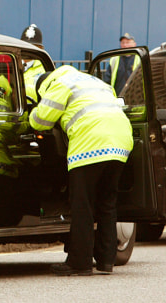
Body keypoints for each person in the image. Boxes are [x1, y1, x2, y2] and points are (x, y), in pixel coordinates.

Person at [29, 65, 133, 276]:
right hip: (121, 142)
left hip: (90, 145)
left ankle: (80, 262)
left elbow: (40, 121)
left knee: (82, 204)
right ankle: (106, 260)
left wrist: (30, 114)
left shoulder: (59, 85)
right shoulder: (96, 82)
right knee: (107, 203)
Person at [20, 24, 46, 102]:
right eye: (25, 45)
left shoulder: (44, 70)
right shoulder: (11, 66)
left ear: (40, 49)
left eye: (33, 46)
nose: (28, 49)